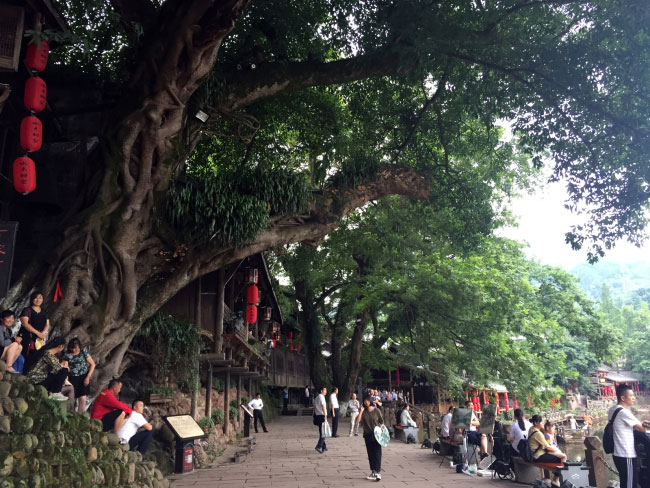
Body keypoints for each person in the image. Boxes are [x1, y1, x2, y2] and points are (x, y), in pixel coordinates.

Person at [609, 383, 645, 488]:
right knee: (629, 484)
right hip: (626, 453)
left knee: (625, 482)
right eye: (631, 395)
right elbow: (642, 428)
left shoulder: (613, 409)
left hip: (617, 453)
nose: (634, 398)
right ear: (623, 398)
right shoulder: (624, 412)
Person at [24, 336, 72, 403]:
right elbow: (59, 368)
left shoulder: (46, 352)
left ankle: (53, 392)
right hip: (36, 380)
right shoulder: (48, 354)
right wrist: (66, 365)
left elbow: (54, 369)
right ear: (61, 346)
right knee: (64, 371)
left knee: (61, 371)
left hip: (36, 378)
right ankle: (55, 393)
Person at [528, 415, 567, 487]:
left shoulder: (531, 429)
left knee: (560, 457)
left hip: (534, 454)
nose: (543, 424)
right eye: (541, 422)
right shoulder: (537, 433)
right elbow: (548, 448)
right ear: (536, 423)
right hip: (538, 456)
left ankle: (556, 479)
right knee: (562, 458)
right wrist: (560, 452)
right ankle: (556, 479)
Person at [61, 338, 96, 412]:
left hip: (83, 376)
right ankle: (71, 413)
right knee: (71, 398)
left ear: (79, 346)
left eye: (75, 348)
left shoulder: (83, 352)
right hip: (72, 377)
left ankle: (80, 416)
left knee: (82, 398)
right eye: (72, 348)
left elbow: (92, 364)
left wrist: (88, 377)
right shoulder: (66, 354)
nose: (73, 350)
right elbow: (63, 365)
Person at [357, 394, 384, 481]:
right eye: (364, 401)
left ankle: (378, 472)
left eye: (367, 400)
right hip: (367, 435)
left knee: (377, 453)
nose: (366, 402)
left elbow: (381, 422)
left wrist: (383, 433)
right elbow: (357, 420)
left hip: (376, 434)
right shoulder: (364, 412)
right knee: (370, 454)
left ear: (370, 401)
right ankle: (373, 471)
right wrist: (361, 411)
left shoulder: (376, 411)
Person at [18, 292, 50, 359]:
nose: (38, 300)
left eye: (40, 298)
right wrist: (38, 333)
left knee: (34, 357)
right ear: (32, 299)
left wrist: (43, 333)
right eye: (36, 298)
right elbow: (25, 324)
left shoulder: (44, 312)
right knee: (24, 355)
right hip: (27, 337)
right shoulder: (27, 310)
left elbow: (47, 324)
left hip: (39, 339)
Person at [314, 386, 328, 454]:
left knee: (321, 431)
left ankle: (324, 446)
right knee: (324, 432)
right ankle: (319, 446)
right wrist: (325, 415)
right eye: (325, 390)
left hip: (317, 415)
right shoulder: (321, 397)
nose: (326, 392)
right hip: (322, 415)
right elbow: (323, 406)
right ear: (321, 391)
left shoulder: (317, 397)